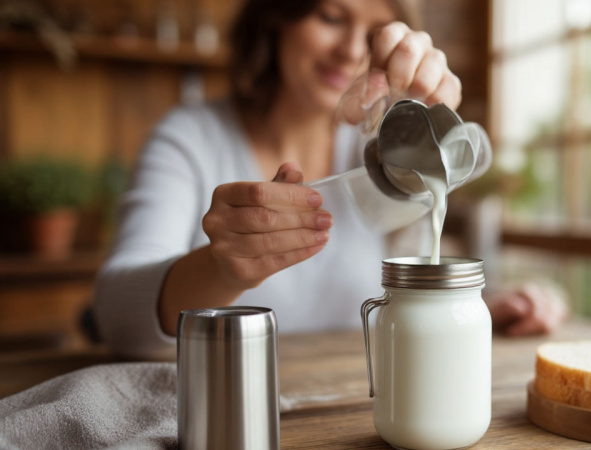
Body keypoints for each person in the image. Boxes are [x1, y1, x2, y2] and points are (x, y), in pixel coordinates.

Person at [93, 0, 567, 358]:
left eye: (375, 32)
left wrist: (493, 303)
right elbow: (115, 315)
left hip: (351, 405)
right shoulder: (190, 139)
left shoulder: (385, 155)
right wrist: (221, 269)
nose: (349, 51)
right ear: (277, 17)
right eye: (331, 17)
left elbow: (413, 283)